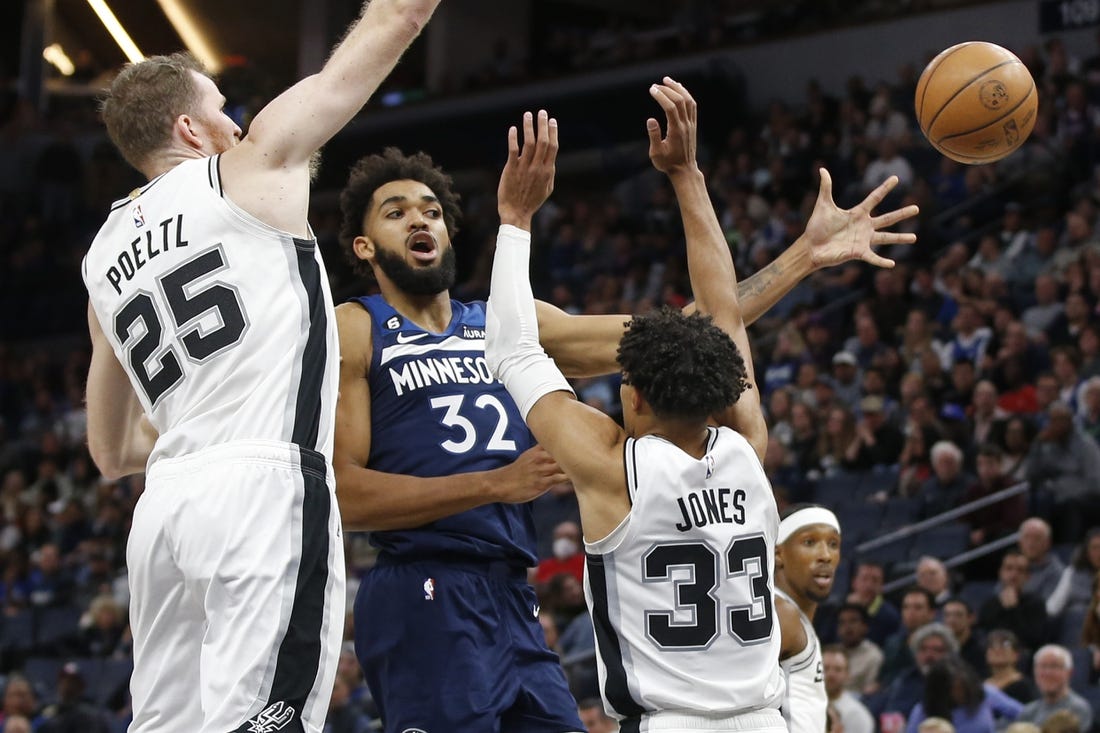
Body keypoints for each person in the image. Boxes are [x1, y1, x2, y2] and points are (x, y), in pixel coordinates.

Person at [334, 88, 916, 733]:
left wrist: (802, 258)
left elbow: (685, 338)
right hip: (422, 579)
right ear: (364, 246)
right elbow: (344, 494)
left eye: (432, 210)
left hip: (510, 586)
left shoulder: (512, 324)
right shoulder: (355, 328)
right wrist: (493, 484)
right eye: (396, 213)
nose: (419, 221)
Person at [81, 2, 443, 730]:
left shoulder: (101, 258)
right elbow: (396, 21)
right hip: (259, 488)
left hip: (165, 508)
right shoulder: (249, 166)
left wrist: (204, 422)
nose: (237, 122)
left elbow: (111, 451)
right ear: (191, 129)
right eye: (222, 108)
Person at [775, 505, 842, 733]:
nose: (825, 556)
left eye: (833, 544)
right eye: (809, 542)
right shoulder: (781, 614)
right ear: (778, 554)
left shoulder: (793, 616)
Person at [904, 657, 1022, 733]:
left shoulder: (985, 694)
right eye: (953, 689)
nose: (960, 693)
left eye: (963, 688)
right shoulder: (924, 710)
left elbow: (1023, 714)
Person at [1017, 645, 1093, 730]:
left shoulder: (1078, 709)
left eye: (1054, 666)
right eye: (1043, 666)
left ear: (1069, 672)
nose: (1048, 673)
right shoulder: (1028, 712)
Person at [823, 645, 875, 733]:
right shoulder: (802, 705)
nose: (831, 674)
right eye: (825, 668)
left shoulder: (858, 716)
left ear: (847, 675)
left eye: (838, 669)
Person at [985, 629, 1039, 704]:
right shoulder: (980, 686)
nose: (997, 649)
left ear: (1016, 654)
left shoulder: (1025, 687)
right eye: (992, 645)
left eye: (1004, 645)